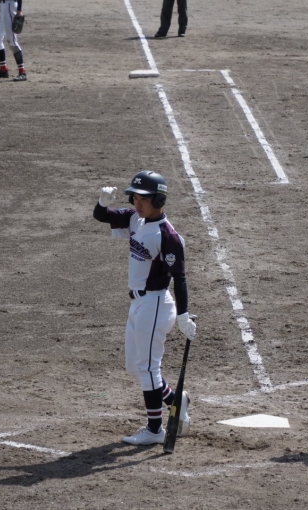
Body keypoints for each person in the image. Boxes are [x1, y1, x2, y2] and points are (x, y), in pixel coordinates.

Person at [93, 171, 196, 445]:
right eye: (135, 198)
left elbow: (180, 278)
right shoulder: (135, 219)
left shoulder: (168, 236)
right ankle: (175, 400)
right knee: (136, 367)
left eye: (144, 199)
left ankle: (155, 430)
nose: (137, 203)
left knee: (149, 368)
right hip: (138, 304)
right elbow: (102, 216)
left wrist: (184, 316)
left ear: (159, 200)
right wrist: (102, 202)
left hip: (155, 304)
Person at [0, 0, 27, 82]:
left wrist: (19, 10)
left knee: (12, 41)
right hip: (2, 6)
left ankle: (22, 72)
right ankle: (3, 70)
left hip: (10, 5)